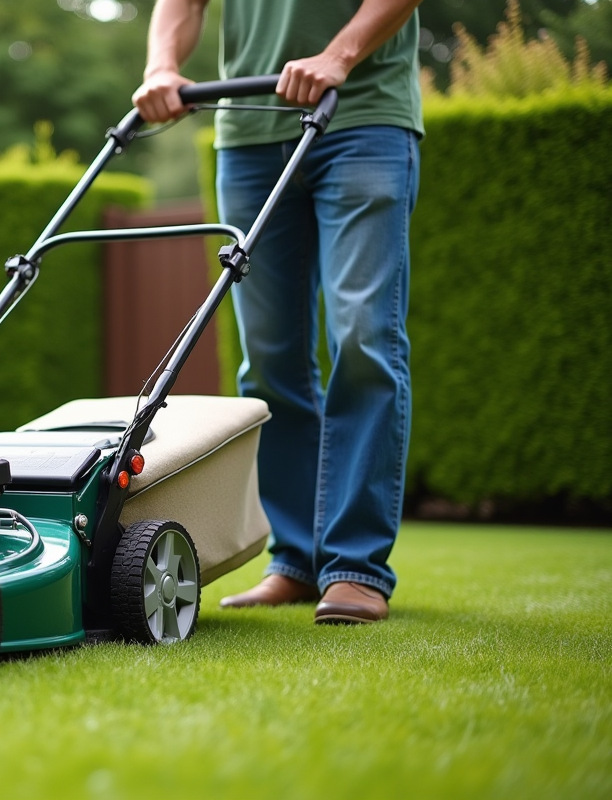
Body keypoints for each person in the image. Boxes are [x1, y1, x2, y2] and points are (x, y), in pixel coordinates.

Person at [133, 0, 423, 624]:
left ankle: (355, 568)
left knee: (364, 333)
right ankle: (295, 560)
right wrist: (162, 67)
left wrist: (338, 55)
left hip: (363, 117)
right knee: (267, 358)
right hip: (249, 133)